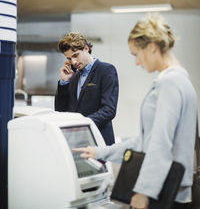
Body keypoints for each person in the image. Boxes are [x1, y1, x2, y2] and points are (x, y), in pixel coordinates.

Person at [73, 14, 197, 209]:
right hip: (168, 189)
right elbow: (145, 140)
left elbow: (159, 143)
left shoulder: (170, 83)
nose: (137, 62)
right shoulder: (180, 80)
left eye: (136, 54)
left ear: (152, 47)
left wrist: (143, 192)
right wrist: (100, 152)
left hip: (162, 193)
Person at [55, 32, 119, 145]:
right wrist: (64, 82)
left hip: (98, 140)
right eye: (69, 58)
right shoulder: (74, 76)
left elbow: (109, 110)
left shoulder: (106, 70)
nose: (73, 62)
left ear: (86, 48)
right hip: (75, 142)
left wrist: (82, 124)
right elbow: (61, 111)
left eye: (75, 55)